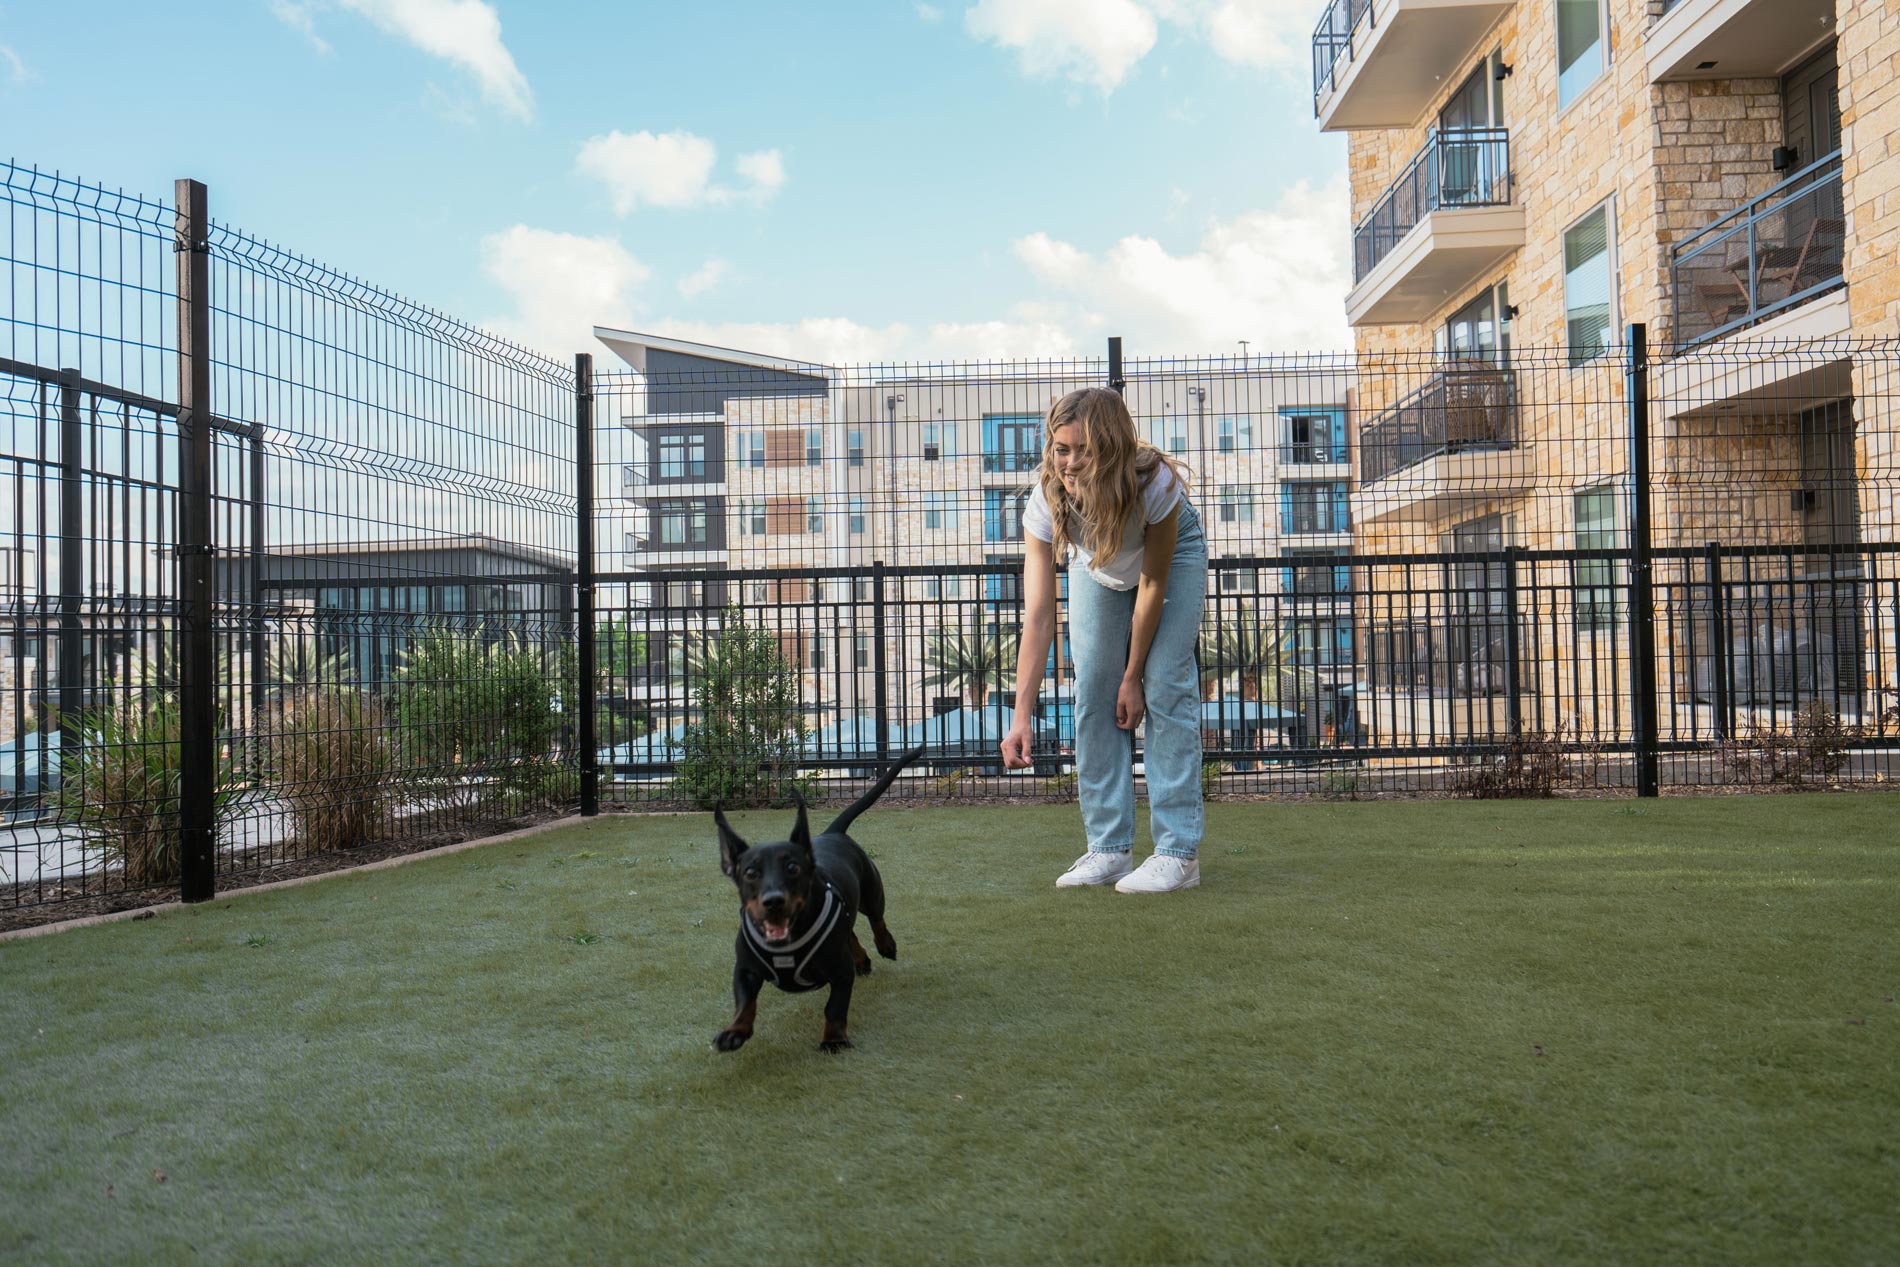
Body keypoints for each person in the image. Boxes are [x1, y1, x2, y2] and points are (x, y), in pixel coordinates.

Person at [1000, 387, 1209, 893]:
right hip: (1100, 570)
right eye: (1061, 448)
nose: (1069, 464)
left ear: (1113, 447)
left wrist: (1133, 676)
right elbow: (1038, 613)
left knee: (1163, 684)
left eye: (1084, 450)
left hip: (1171, 562)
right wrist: (1021, 714)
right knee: (1093, 687)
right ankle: (1109, 849)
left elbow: (1153, 584)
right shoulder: (1047, 503)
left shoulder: (1153, 484)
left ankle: (1178, 853)